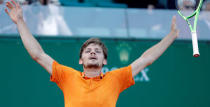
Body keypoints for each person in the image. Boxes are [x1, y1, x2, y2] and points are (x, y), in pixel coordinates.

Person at [4, 0, 179, 107]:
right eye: (88, 51)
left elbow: (146, 59)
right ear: (81, 60)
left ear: (104, 61)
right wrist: (20, 22)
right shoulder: (67, 76)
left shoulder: (116, 78)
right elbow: (38, 54)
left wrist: (171, 36)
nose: (93, 52)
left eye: (97, 51)